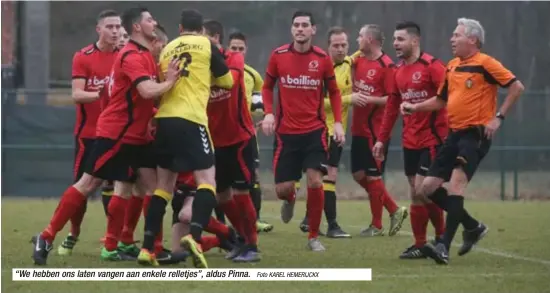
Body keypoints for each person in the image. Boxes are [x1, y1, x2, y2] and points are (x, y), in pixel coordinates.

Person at [31, 7, 181, 265]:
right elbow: (146, 91)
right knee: (88, 184)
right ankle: (46, 236)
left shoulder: (143, 55)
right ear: (137, 26)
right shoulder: (132, 56)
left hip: (137, 133)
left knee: (153, 187)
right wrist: (170, 81)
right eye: (149, 19)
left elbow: (146, 98)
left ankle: (152, 247)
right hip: (118, 133)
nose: (154, 22)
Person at [401, 18, 524, 265]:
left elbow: (516, 87)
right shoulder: (452, 66)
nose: (452, 39)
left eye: (457, 35)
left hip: (475, 135)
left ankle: (443, 246)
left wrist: (498, 117)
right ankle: (472, 226)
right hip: (454, 135)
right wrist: (415, 107)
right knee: (427, 188)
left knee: (456, 187)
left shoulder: (485, 63)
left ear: (473, 40)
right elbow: (440, 101)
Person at [137, 9, 233, 268]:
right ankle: (196, 235)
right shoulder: (206, 44)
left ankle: (147, 248)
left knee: (163, 188)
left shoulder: (168, 49)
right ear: (201, 29)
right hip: (191, 119)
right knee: (207, 182)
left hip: (165, 120)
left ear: (180, 29)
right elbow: (228, 81)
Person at [261, 11, 345, 251]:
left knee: (316, 181)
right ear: (291, 30)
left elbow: (335, 92)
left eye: (305, 25)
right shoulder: (278, 56)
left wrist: (337, 122)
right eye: (296, 25)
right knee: (281, 189)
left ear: (313, 30)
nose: (300, 29)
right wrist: (269, 113)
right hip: (286, 134)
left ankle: (313, 237)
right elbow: (267, 87)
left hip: (314, 132)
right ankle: (290, 197)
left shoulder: (322, 59)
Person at [372, 21, 447, 259]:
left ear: (415, 41)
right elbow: (392, 107)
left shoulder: (433, 66)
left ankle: (441, 238)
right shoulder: (397, 70)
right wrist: (381, 140)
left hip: (433, 138)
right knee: (416, 193)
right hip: (410, 140)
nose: (395, 43)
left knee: (424, 191)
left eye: (400, 39)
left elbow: (447, 99)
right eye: (394, 39)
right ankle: (422, 244)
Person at [55, 9, 121, 257]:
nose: (115, 31)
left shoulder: (124, 57)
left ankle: (114, 239)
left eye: (118, 27)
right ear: (99, 29)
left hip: (116, 133)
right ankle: (73, 234)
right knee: (82, 189)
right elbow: (76, 94)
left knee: (117, 187)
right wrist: (103, 94)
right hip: (89, 135)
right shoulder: (83, 56)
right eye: (110, 27)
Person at [299, 26, 369, 238]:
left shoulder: (349, 62)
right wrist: (350, 99)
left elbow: (364, 48)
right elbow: (317, 102)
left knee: (322, 179)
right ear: (327, 47)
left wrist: (367, 37)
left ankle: (309, 219)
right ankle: (332, 225)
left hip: (338, 132)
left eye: (343, 45)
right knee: (330, 177)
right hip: (323, 130)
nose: (340, 49)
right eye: (335, 45)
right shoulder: (321, 68)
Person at [204, 20, 260, 262]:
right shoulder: (197, 64)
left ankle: (252, 245)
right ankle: (240, 238)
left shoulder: (233, 58)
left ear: (216, 38)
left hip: (238, 139)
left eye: (203, 38)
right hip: (214, 142)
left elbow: (231, 81)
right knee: (222, 195)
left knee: (241, 192)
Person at [351, 24, 408, 237]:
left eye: (360, 36)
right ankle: (394, 209)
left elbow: (391, 99)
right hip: (357, 129)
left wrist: (368, 99)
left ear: (370, 40)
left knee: (373, 177)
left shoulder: (387, 66)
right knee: (358, 175)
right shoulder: (358, 60)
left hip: (375, 132)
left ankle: (377, 225)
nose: (357, 40)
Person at [227, 31, 274, 234]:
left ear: (246, 51)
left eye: (240, 48)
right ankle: (225, 222)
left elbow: (259, 107)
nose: (237, 51)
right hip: (220, 135)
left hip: (245, 135)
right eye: (233, 48)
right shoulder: (220, 71)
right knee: (220, 182)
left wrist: (260, 119)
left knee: (252, 177)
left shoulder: (253, 75)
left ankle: (255, 219)